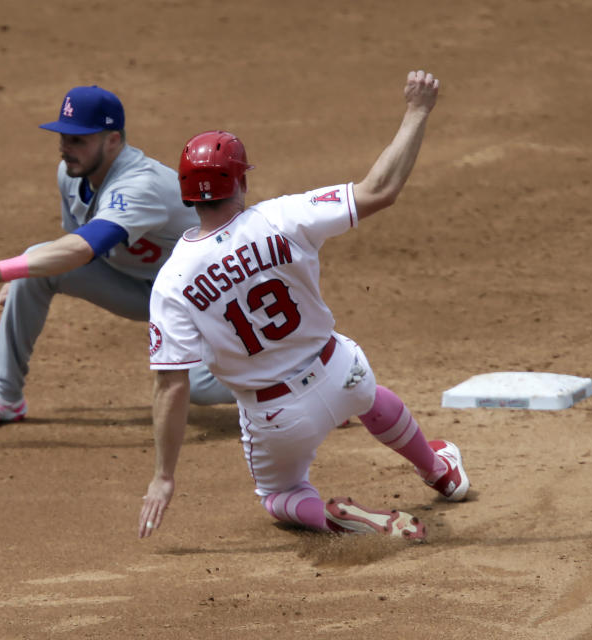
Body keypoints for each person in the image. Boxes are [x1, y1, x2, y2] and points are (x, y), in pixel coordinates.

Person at [138, 70, 469, 541]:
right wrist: (417, 111)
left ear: (187, 193)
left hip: (276, 418)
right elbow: (380, 191)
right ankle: (440, 472)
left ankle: (336, 517)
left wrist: (163, 476)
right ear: (240, 183)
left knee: (278, 496)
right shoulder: (282, 216)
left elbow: (172, 386)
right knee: (371, 398)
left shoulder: (172, 280)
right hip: (342, 372)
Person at [0, 85, 234, 429]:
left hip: (207, 296)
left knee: (198, 385)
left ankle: (288, 376)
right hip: (145, 290)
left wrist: (3, 271)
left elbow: (85, 247)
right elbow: (73, 243)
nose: (66, 149)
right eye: (63, 138)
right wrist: (25, 271)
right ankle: (4, 396)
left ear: (113, 140)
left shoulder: (138, 185)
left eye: (79, 140)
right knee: (36, 262)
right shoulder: (71, 175)